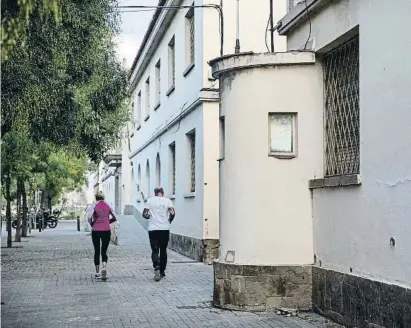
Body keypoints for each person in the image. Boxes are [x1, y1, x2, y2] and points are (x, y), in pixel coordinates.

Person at [142, 187, 175, 281]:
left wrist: (150, 217)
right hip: (164, 229)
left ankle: (156, 266)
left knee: (155, 250)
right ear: (162, 193)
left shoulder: (150, 201)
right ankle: (162, 272)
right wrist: (169, 221)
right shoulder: (167, 201)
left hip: (153, 229)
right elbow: (172, 213)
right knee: (163, 250)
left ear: (155, 193)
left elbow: (144, 214)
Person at [86, 191, 117, 281]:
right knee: (104, 251)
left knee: (97, 251)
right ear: (103, 198)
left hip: (96, 230)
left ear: (96, 198)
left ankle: (97, 273)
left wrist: (92, 223)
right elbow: (115, 217)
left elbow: (89, 216)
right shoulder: (108, 205)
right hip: (106, 230)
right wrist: (108, 222)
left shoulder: (94, 205)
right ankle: (104, 267)